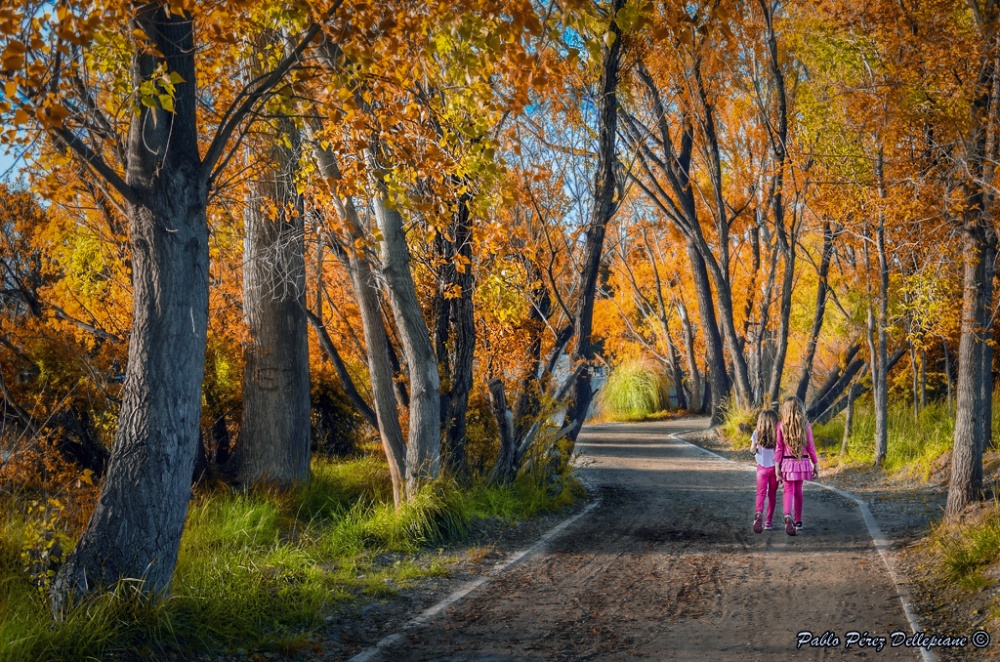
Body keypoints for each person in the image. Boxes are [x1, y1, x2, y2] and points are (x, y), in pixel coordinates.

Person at [775, 396, 819, 536]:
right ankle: (798, 521)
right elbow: (811, 446)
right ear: (800, 408)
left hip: (787, 463)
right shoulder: (805, 425)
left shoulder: (781, 425)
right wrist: (815, 464)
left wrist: (777, 467)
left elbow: (779, 448)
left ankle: (788, 516)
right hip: (802, 462)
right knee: (798, 491)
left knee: (788, 490)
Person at [750, 409, 779, 534]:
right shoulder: (778, 433)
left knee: (760, 493)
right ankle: (768, 521)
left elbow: (752, 450)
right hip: (775, 468)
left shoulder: (757, 433)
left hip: (762, 468)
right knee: (772, 494)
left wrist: (756, 445)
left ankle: (759, 514)